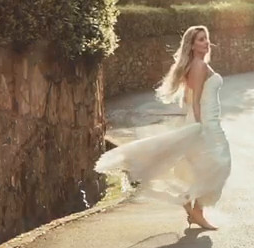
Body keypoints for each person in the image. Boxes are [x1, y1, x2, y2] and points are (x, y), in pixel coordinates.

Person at [94, 25, 231, 230]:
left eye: (206, 38)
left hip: (206, 119)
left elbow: (189, 97)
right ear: (192, 45)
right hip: (205, 122)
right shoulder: (199, 66)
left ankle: (192, 203)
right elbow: (193, 102)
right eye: (201, 39)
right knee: (218, 164)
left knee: (209, 165)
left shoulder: (197, 64)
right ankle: (196, 210)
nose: (206, 42)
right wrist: (201, 125)